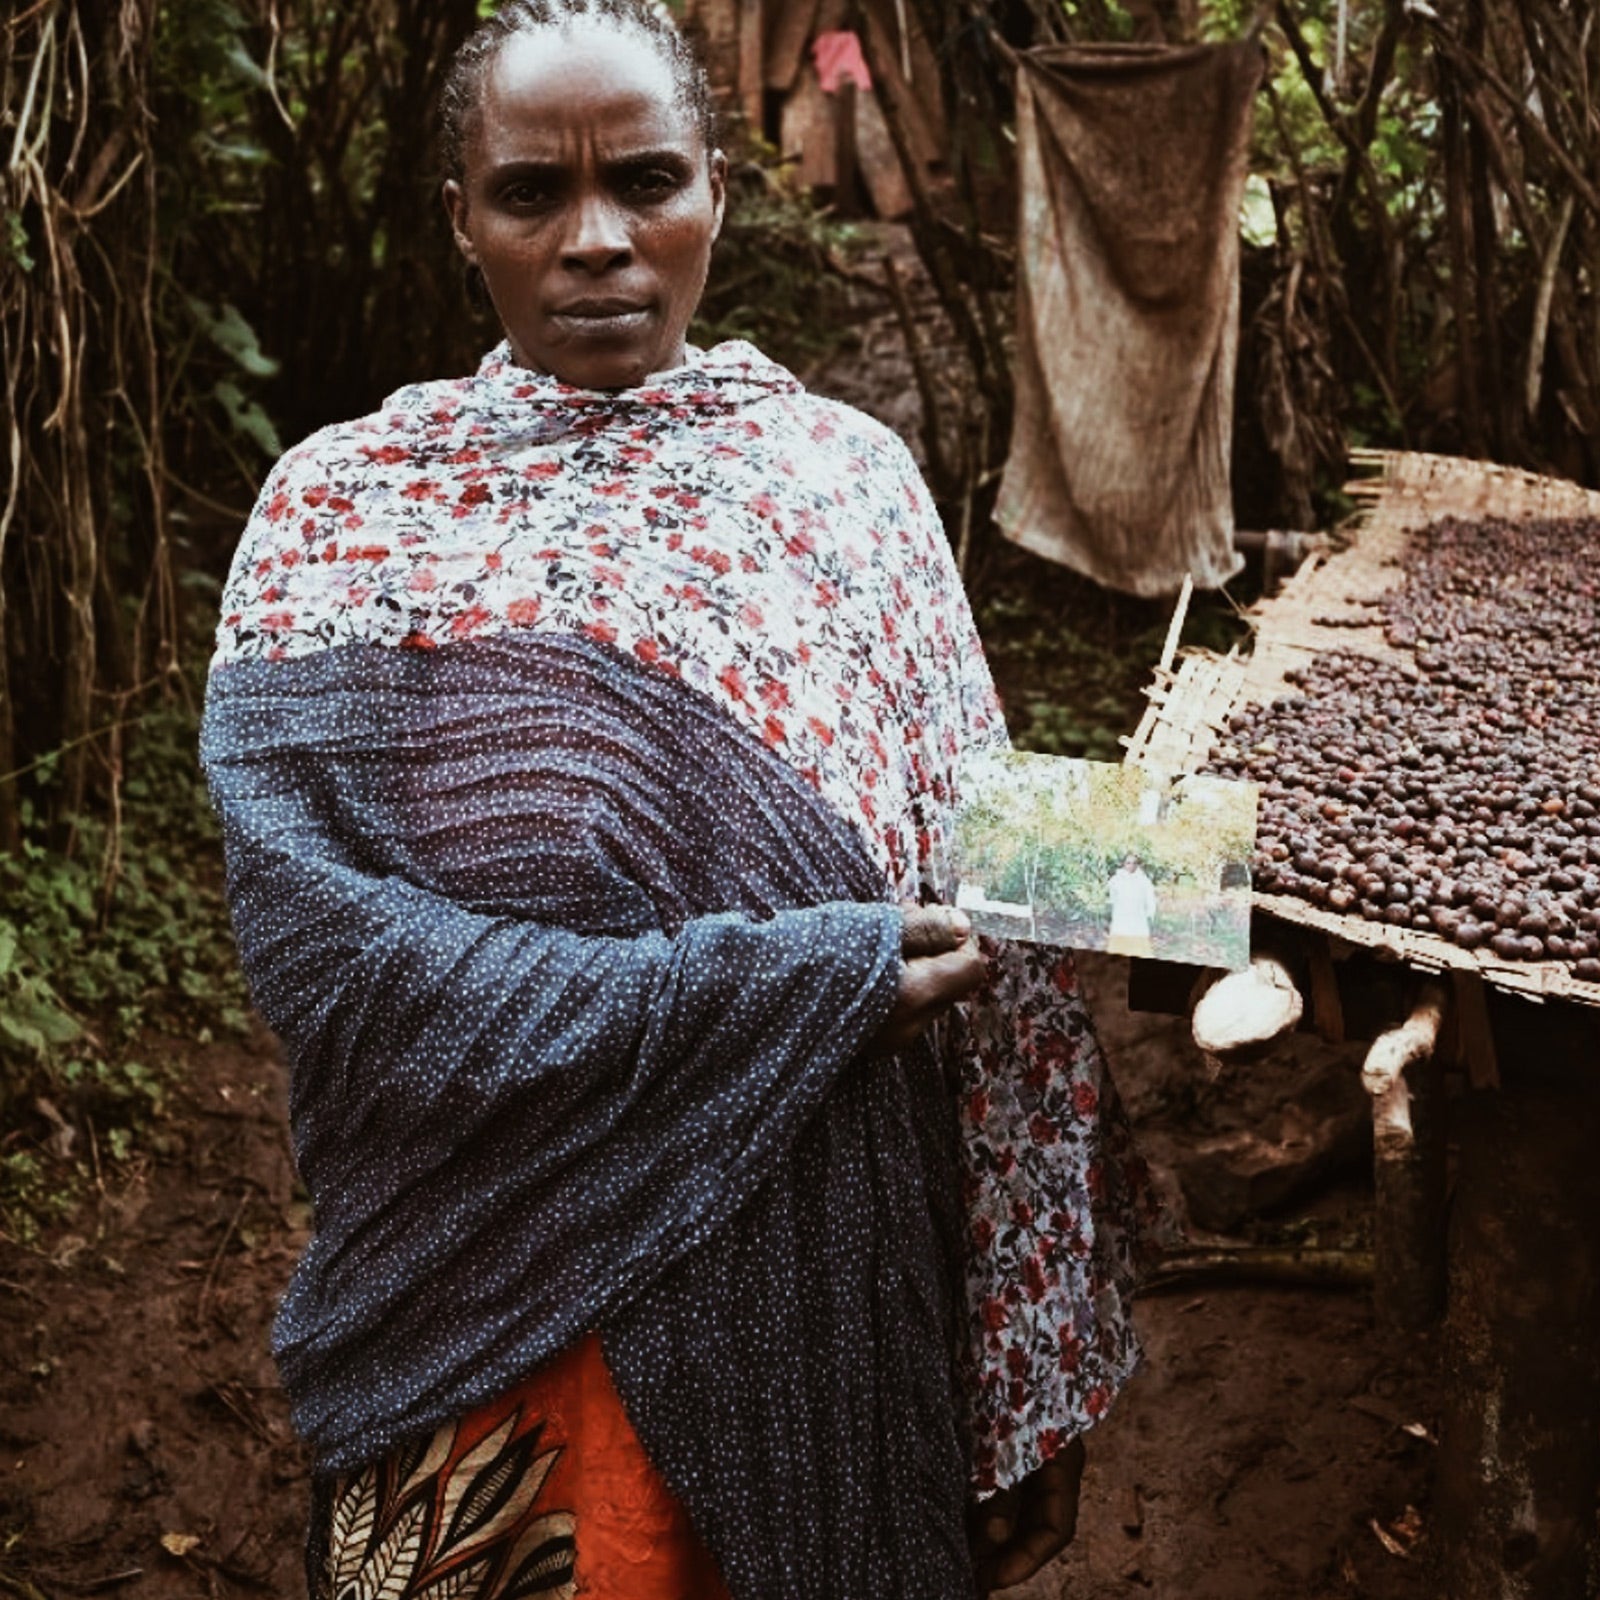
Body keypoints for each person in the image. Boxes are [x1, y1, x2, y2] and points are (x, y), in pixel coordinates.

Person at [200, 4, 1159, 1596]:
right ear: (463, 218)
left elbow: (975, 852)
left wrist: (1230, 864)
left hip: (821, 1288)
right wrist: (783, 985)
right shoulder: (343, 512)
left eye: (646, 180)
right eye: (531, 195)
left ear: (719, 188)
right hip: (487, 1318)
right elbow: (335, 970)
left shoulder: (840, 481)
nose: (596, 242)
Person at [1106, 854, 1158, 958]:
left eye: (1134, 863)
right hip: (1121, 918)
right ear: (1124, 864)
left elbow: (1150, 899)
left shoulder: (1144, 880)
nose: (1131, 866)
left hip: (1138, 919)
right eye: (1128, 863)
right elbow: (1112, 898)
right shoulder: (1116, 880)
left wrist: (1150, 914)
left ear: (1138, 865)